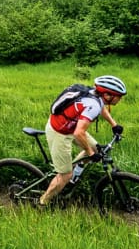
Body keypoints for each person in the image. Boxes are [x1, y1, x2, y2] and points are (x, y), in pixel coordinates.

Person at [39, 75, 126, 206]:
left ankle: (73, 174)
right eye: (119, 96)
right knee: (65, 175)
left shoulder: (96, 96)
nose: (120, 99)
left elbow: (101, 107)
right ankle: (42, 202)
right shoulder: (92, 105)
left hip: (71, 127)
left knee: (97, 149)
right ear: (108, 95)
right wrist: (90, 153)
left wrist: (114, 124)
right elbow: (79, 133)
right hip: (59, 132)